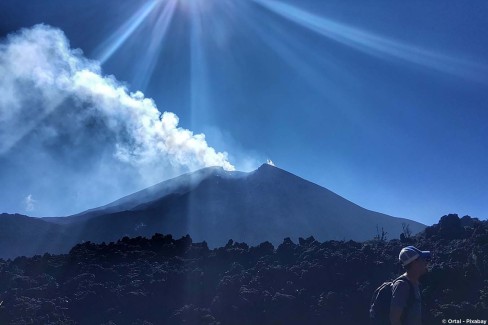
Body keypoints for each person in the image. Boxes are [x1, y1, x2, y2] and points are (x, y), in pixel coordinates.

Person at [390, 246, 431, 325]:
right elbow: (394, 319)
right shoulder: (402, 285)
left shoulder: (415, 284)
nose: (426, 262)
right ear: (415, 263)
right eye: (423, 260)